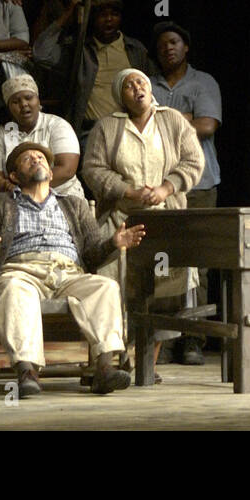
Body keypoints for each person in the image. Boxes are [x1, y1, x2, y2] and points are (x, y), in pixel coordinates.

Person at [0, 141, 146, 395]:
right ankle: (27, 372)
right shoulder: (1, 203)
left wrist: (113, 243)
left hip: (68, 272)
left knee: (105, 286)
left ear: (52, 173)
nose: (36, 160)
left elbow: (93, 253)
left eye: (41, 158)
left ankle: (105, 368)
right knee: (14, 290)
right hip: (22, 271)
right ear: (13, 175)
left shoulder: (74, 205)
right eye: (27, 159)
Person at [80, 68, 204, 373]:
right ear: (121, 97)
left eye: (142, 83)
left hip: (165, 220)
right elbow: (93, 169)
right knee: (114, 282)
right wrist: (129, 191)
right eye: (129, 86)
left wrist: (165, 188)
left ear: (150, 89)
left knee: (165, 286)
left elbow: (193, 161)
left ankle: (147, 360)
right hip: (122, 219)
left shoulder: (173, 119)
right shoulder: (108, 126)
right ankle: (113, 359)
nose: (138, 89)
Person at [149, 21, 222, 366]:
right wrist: (184, 118)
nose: (168, 48)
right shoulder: (146, 84)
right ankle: (161, 339)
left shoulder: (203, 81)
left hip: (200, 184)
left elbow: (206, 126)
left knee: (199, 265)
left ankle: (193, 339)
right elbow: (141, 125)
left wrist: (166, 120)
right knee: (163, 262)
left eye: (174, 42)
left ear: (186, 47)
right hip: (159, 186)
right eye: (162, 44)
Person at [32, 0, 155, 139]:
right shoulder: (80, 50)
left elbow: (152, 85)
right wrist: (67, 14)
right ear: (92, 19)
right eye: (102, 15)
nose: (109, 19)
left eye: (114, 14)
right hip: (92, 132)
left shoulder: (134, 49)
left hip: (130, 129)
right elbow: (41, 53)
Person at [0, 75, 85, 200]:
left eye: (29, 98)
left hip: (63, 196)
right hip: (17, 198)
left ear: (38, 101)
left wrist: (31, 188)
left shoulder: (57, 125)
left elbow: (67, 169)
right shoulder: (0, 135)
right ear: (9, 107)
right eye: (15, 102)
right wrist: (9, 186)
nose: (23, 104)